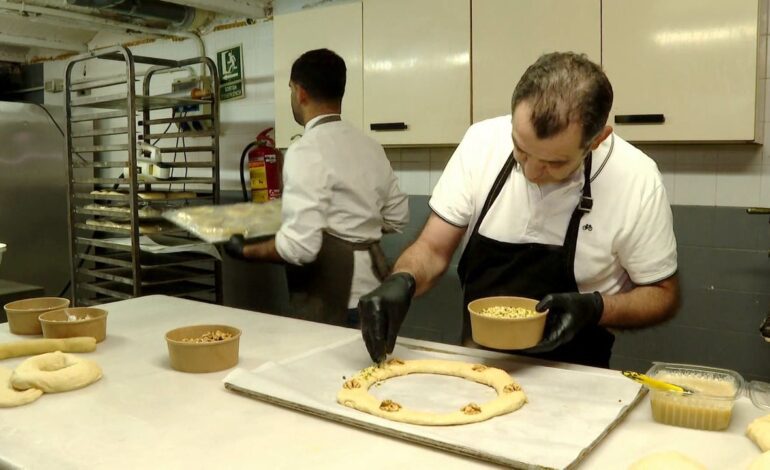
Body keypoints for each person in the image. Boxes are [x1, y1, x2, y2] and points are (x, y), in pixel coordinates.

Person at [359, 52, 679, 368]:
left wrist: (596, 309)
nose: (531, 172)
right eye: (521, 150)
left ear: (597, 140)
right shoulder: (482, 143)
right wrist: (401, 281)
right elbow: (432, 248)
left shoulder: (636, 178)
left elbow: (662, 295)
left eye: (555, 163)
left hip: (578, 377)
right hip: (478, 366)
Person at [226, 48, 408, 328]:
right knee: (370, 371)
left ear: (300, 92)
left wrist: (245, 251)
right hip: (376, 293)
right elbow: (398, 217)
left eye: (290, 89)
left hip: (331, 300)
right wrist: (356, 227)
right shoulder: (370, 146)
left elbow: (300, 248)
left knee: (325, 372)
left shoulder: (304, 150)